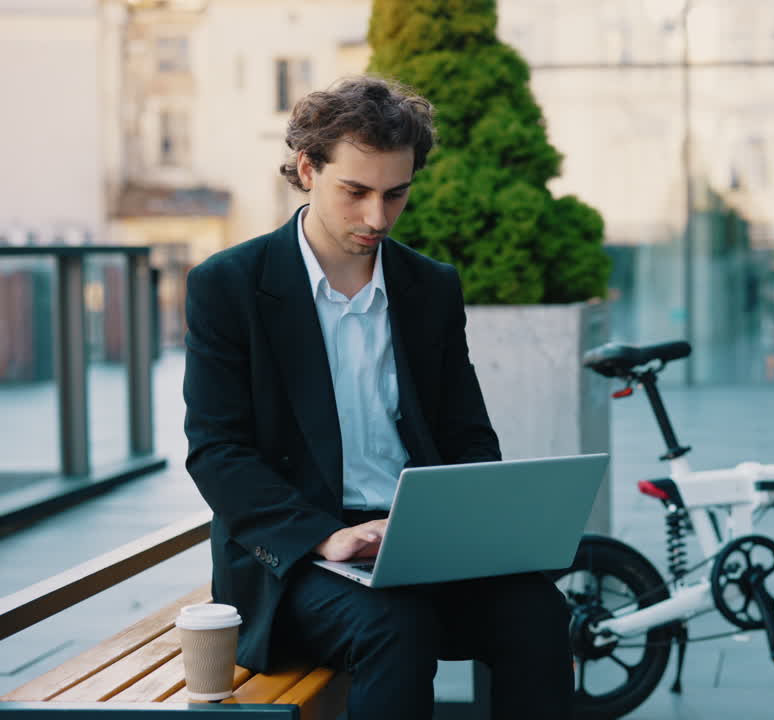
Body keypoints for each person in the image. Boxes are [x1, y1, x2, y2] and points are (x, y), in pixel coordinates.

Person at [182, 75, 572, 719]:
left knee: (536, 613)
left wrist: (481, 525)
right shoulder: (230, 286)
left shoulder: (430, 287)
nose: (377, 218)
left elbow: (467, 433)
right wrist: (321, 539)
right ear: (308, 169)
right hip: (298, 562)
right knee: (395, 624)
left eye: (397, 195)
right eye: (355, 192)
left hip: (417, 539)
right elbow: (217, 452)